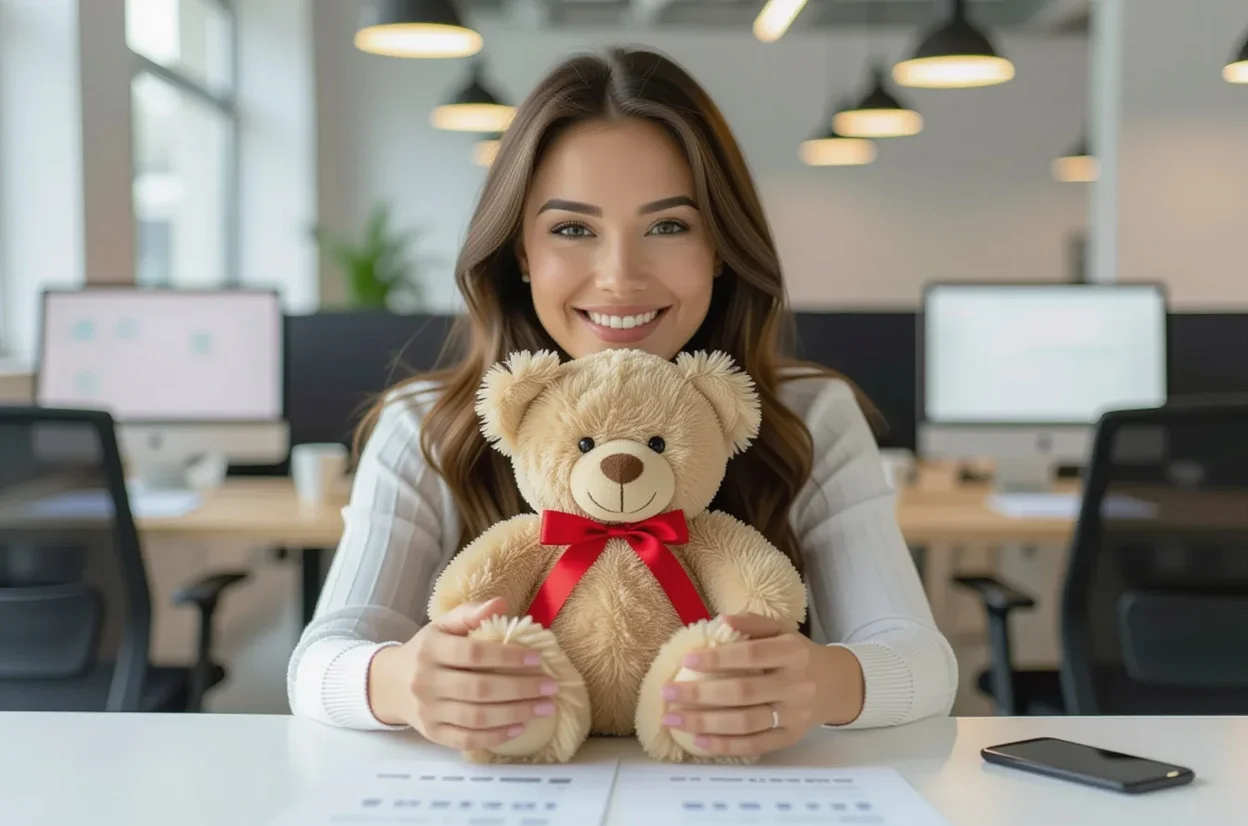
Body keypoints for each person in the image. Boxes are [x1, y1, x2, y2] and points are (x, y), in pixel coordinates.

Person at [288, 46, 957, 758]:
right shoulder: (425, 423)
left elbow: (922, 660)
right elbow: (318, 663)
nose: (619, 277)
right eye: (572, 229)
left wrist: (825, 680)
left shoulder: (809, 414)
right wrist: (399, 681)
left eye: (668, 226)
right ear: (520, 250)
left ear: (721, 246)